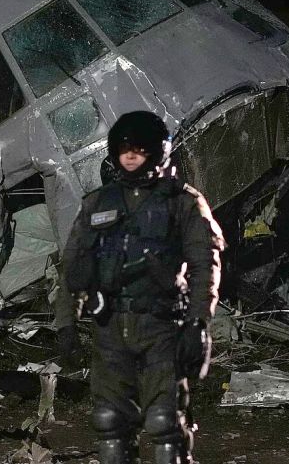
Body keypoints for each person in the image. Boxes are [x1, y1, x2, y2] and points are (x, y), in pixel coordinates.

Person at [61, 110, 224, 464]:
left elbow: (205, 266)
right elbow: (73, 268)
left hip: (161, 326)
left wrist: (198, 324)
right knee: (109, 422)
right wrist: (66, 323)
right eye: (124, 149)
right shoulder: (98, 203)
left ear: (157, 151)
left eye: (139, 148)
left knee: (165, 423)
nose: (131, 155)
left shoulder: (182, 202)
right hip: (109, 328)